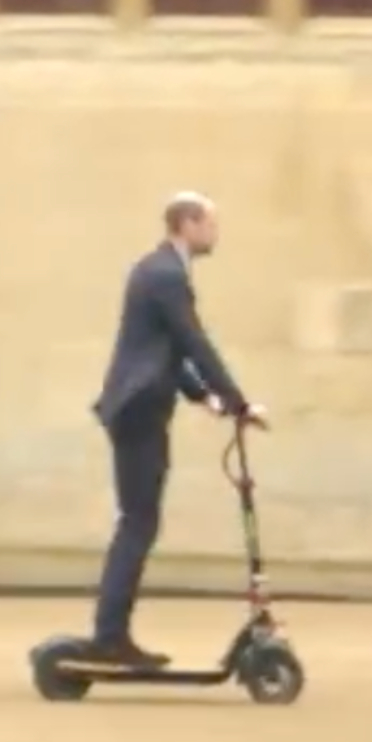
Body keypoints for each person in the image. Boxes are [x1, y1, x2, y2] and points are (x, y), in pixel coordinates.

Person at [87, 192, 267, 667]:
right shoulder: (166, 274)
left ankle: (111, 634)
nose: (215, 233)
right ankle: (109, 636)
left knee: (138, 521)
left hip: (139, 407)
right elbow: (193, 341)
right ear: (187, 224)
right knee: (138, 523)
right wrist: (237, 400)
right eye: (210, 224)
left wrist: (204, 397)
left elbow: (164, 349)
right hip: (139, 410)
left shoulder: (160, 270)